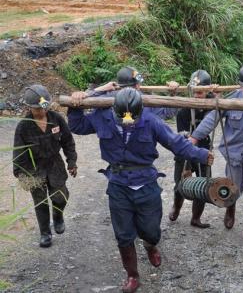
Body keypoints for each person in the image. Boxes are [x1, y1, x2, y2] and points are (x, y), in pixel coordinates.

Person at [68, 88, 213, 293]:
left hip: (146, 183)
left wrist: (201, 154)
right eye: (123, 117)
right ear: (114, 110)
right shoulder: (102, 116)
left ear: (140, 110)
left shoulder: (151, 120)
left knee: (151, 231)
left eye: (132, 118)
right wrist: (75, 104)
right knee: (124, 235)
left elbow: (176, 143)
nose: (128, 121)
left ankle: (150, 244)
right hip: (118, 184)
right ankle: (132, 275)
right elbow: (77, 125)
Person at [189, 64, 243, 241]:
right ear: (240, 86)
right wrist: (194, 138)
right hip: (234, 154)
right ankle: (231, 210)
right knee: (232, 190)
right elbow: (211, 119)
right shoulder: (231, 100)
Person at [13, 85, 77, 248]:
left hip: (55, 165)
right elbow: (19, 153)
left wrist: (72, 162)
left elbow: (68, 142)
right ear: (29, 107)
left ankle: (57, 215)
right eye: (38, 109)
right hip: (35, 169)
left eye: (44, 107)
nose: (42, 111)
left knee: (60, 197)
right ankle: (45, 233)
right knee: (40, 202)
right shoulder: (23, 127)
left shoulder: (56, 119)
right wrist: (21, 174)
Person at [169, 70, 216, 227]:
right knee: (180, 183)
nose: (197, 96)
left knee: (204, 185)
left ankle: (196, 218)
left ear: (208, 90)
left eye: (201, 92)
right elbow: (183, 137)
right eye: (195, 92)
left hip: (204, 149)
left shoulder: (213, 103)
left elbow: (221, 113)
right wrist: (187, 163)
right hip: (185, 148)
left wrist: (217, 97)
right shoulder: (184, 108)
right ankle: (176, 207)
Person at [78, 66, 179, 120]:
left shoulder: (107, 97)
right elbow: (168, 113)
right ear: (137, 85)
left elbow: (85, 98)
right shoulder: (146, 99)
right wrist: (173, 94)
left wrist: (100, 89)